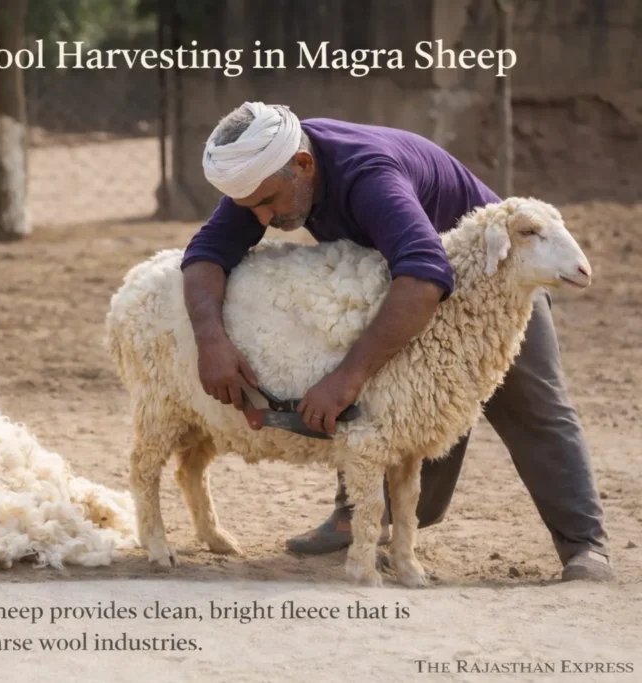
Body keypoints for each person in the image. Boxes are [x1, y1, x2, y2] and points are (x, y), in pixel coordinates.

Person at [180, 101, 614, 582]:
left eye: (268, 203)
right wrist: (210, 340)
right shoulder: (267, 175)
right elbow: (205, 254)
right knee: (386, 399)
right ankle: (358, 517)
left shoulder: (368, 174)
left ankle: (584, 547)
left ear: (304, 165)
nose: (262, 217)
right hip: (403, 281)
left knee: (534, 406)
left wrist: (345, 380)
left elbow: (427, 273)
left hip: (492, 279)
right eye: (252, 208)